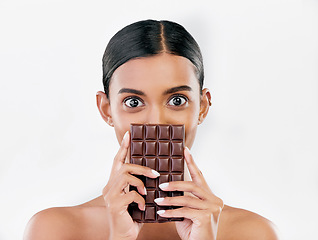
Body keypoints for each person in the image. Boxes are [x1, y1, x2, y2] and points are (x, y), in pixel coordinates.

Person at [24, 19, 279, 240]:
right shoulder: (54, 230)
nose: (156, 122)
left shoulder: (253, 232)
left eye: (177, 100)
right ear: (106, 109)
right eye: (133, 102)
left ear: (202, 107)